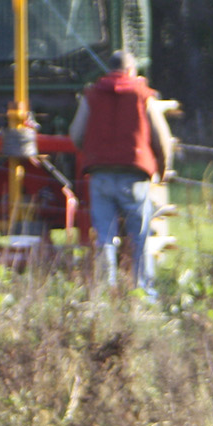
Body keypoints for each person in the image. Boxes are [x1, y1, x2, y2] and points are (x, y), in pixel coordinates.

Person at [68, 50, 163, 297]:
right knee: (139, 237)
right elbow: (162, 138)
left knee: (105, 238)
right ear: (132, 70)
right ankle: (143, 294)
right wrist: (160, 170)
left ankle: (104, 293)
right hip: (134, 176)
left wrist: (92, 152)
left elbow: (76, 134)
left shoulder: (92, 95)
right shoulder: (143, 95)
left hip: (100, 175)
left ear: (109, 70)